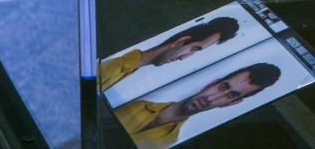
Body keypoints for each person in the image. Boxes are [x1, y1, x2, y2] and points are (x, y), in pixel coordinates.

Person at [114, 63, 282, 149]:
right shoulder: (133, 100)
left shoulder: (169, 143)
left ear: (232, 103)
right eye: (223, 87)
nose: (213, 98)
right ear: (212, 83)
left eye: (231, 95)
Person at [100, 16, 240, 91]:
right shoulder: (111, 68)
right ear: (180, 41)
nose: (184, 59)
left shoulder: (127, 67)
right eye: (195, 48)